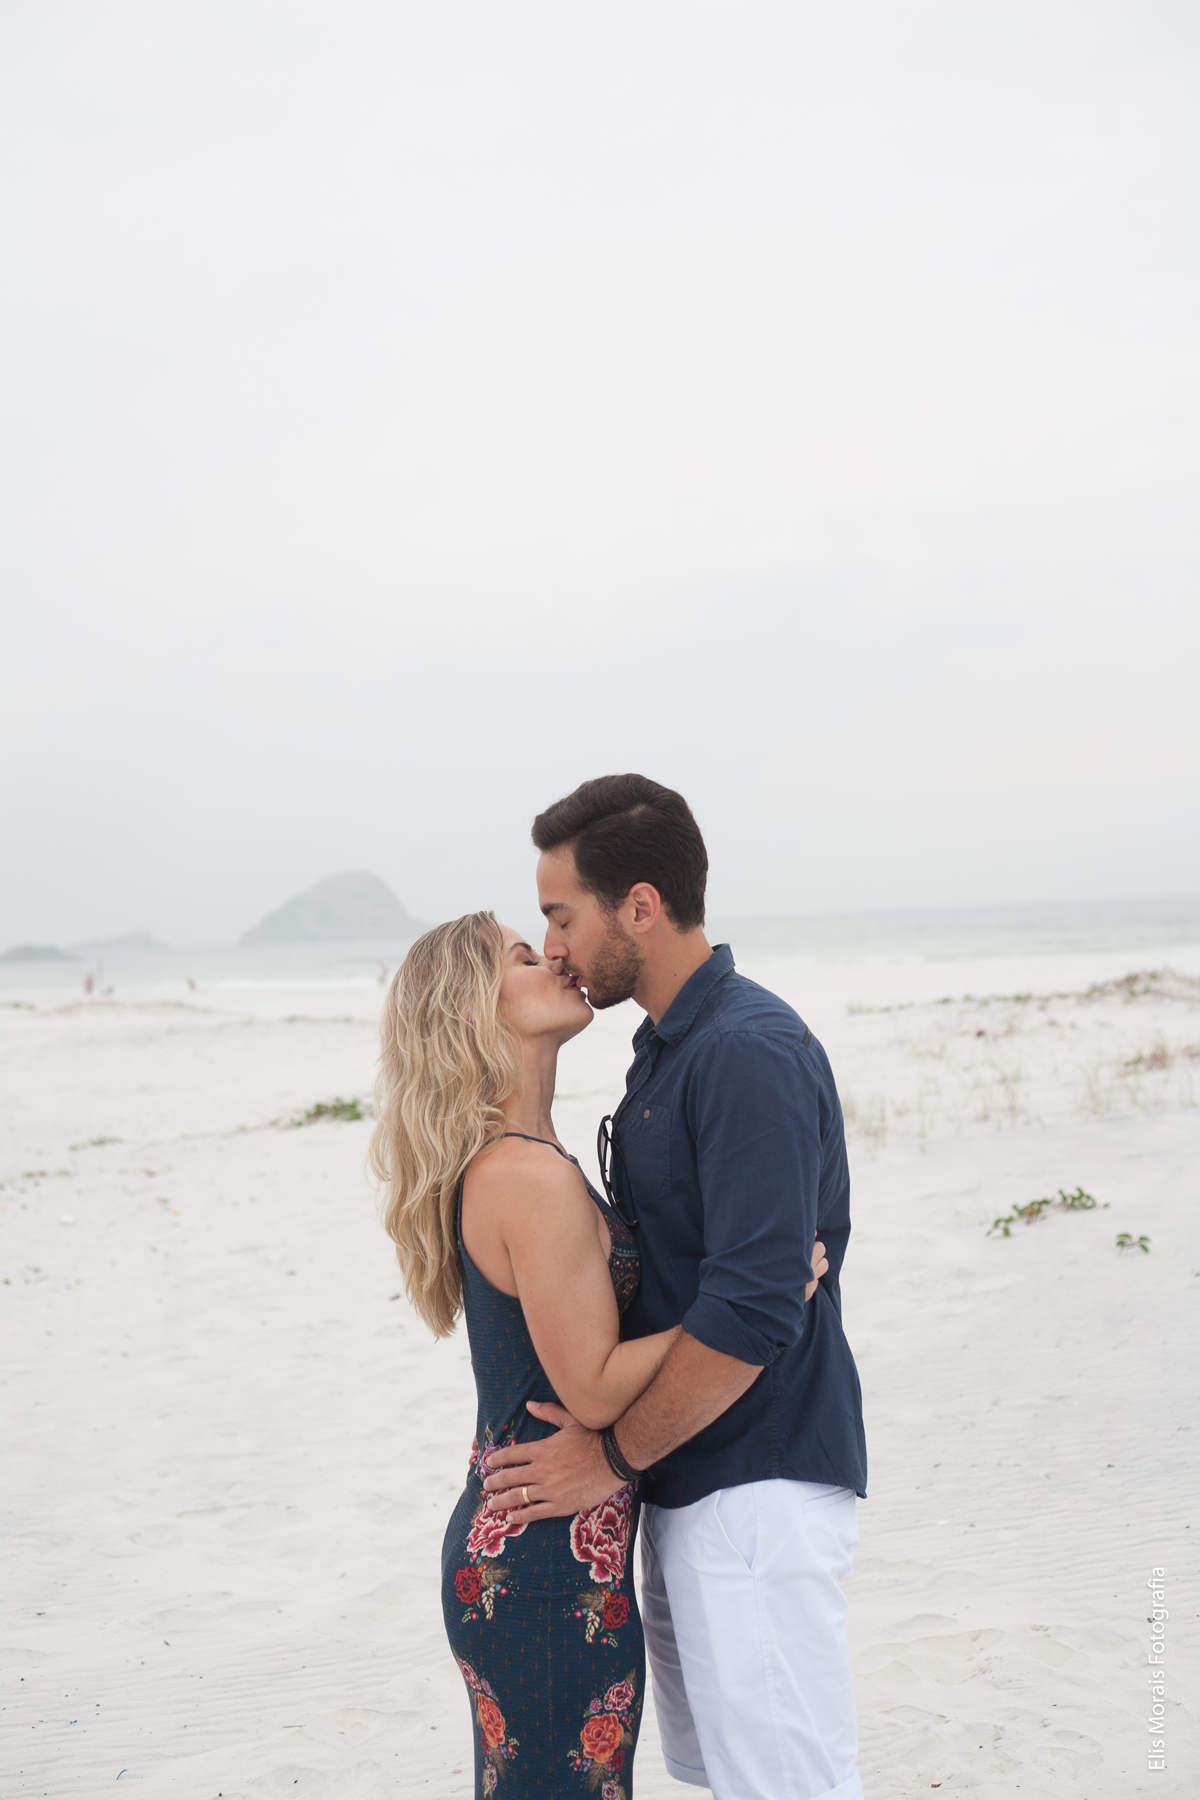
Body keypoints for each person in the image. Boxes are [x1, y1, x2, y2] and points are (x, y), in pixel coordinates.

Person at [370, 909, 829, 1798]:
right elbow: (591, 1386)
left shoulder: (533, 1158)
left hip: (551, 1546)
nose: (552, 956)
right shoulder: (523, 1174)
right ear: (473, 1006)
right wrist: (759, 1300)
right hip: (543, 1561)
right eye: (521, 953)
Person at [481, 774, 868, 1800]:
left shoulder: (745, 1051)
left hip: (761, 1479)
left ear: (639, 907)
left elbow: (750, 1312)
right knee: (738, 1780)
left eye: (562, 915)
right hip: (695, 1483)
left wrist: (606, 1456)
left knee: (788, 1782)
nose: (554, 944)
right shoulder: (667, 1057)